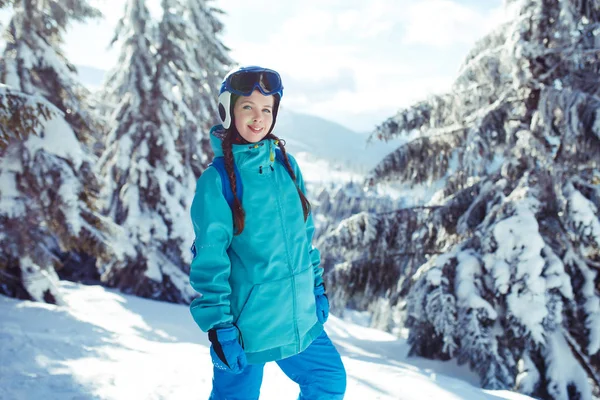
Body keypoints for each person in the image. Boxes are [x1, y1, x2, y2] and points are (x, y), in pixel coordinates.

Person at [188, 66, 347, 400]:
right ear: (228, 110)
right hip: (246, 327)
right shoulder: (216, 181)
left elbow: (305, 237)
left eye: (266, 109)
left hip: (299, 314)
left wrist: (316, 288)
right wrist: (220, 328)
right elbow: (210, 261)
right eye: (247, 107)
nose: (258, 118)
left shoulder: (287, 167)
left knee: (328, 380)